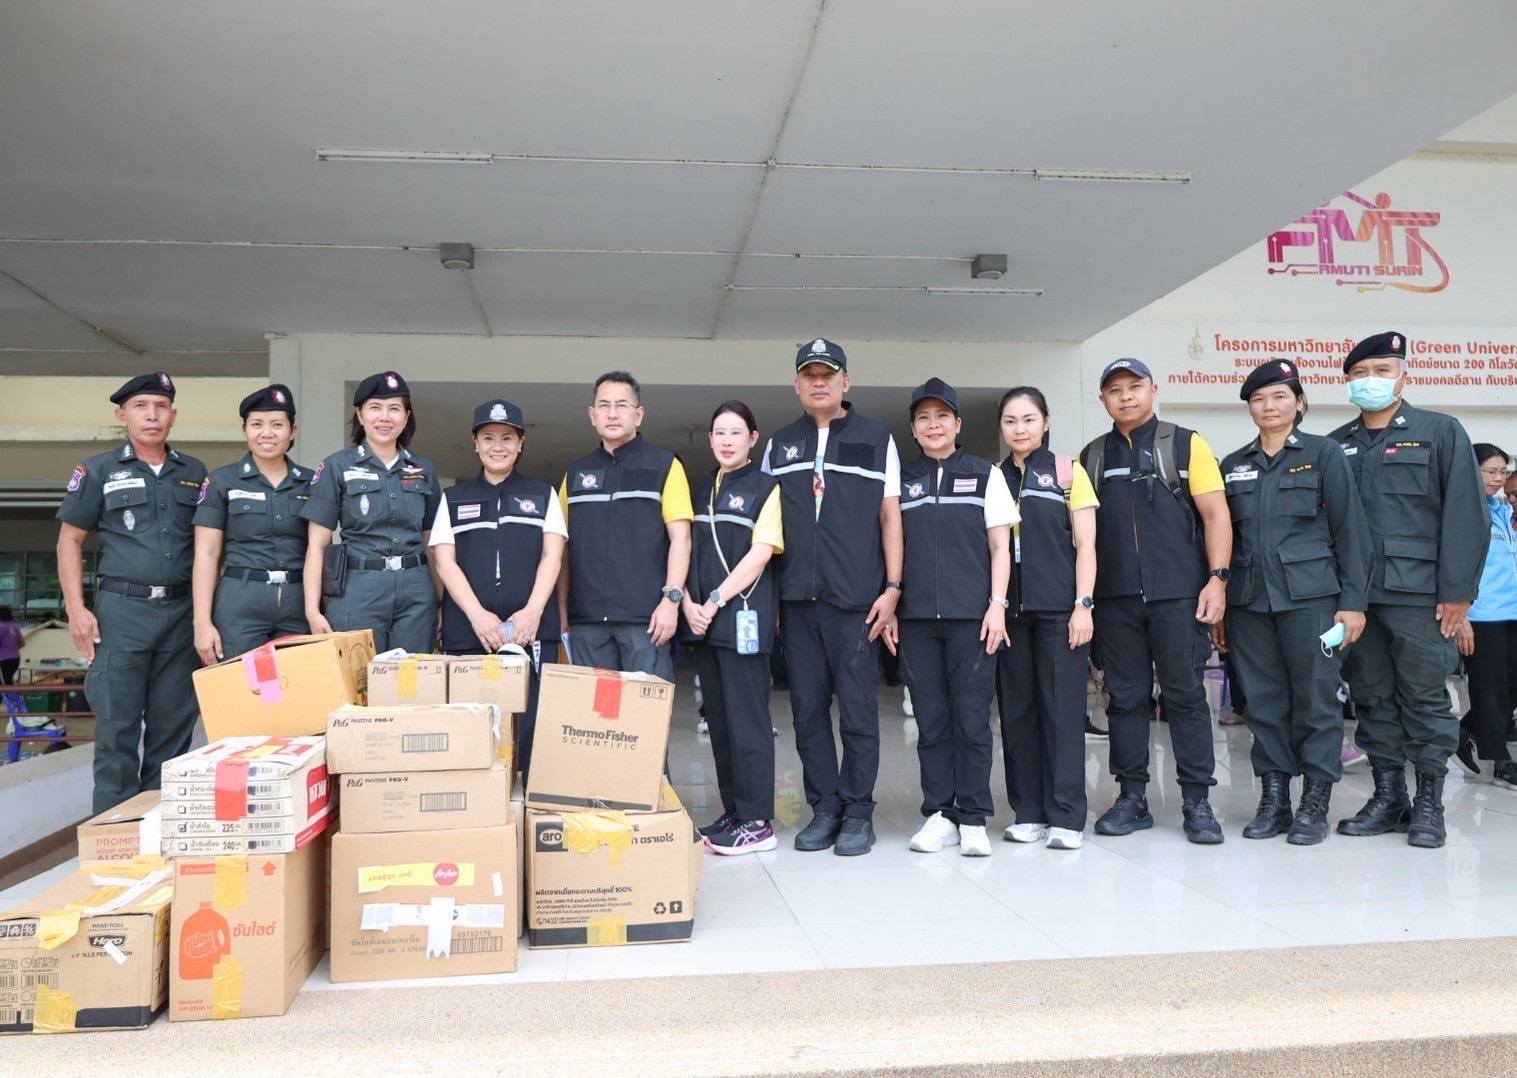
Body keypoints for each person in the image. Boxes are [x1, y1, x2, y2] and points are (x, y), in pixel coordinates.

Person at [1329, 332, 1488, 848]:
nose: (1370, 380)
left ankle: (1429, 804)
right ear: (1347, 381)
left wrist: (1458, 592)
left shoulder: (1440, 432)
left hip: (1421, 595)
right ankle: (1388, 797)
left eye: (1382, 370)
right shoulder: (1335, 444)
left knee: (1423, 696)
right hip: (1356, 598)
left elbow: (1466, 514)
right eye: (1359, 373)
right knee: (1371, 695)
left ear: (1403, 376)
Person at [1215, 360, 1371, 845]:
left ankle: (1314, 804)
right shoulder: (1233, 464)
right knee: (1263, 703)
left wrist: (1353, 602)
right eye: (1259, 399)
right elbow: (1222, 538)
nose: (1269, 406)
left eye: (1280, 396)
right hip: (1249, 602)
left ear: (1299, 403)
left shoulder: (1325, 454)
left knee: (1317, 701)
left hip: (1313, 600)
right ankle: (1275, 800)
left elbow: (1351, 531)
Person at [1080, 358, 1233, 844]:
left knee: (1185, 696)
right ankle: (1131, 797)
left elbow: (1216, 515)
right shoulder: (1092, 457)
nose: (1125, 396)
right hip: (1115, 599)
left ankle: (1197, 801)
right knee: (1125, 700)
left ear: (1153, 389)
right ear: (1102, 399)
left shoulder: (1186, 444)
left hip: (1179, 596)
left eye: (1135, 386)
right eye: (1114, 390)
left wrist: (1217, 580)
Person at [762, 337, 903, 857]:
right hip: (797, 601)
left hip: (857, 601)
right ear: (796, 384)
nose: (818, 383)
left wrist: (893, 588)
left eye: (828, 374)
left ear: (846, 381)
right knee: (807, 711)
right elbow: (766, 529)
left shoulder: (876, 438)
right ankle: (824, 809)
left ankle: (858, 812)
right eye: (809, 375)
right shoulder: (780, 445)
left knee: (859, 712)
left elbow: (890, 517)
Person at [56, 372, 207, 812]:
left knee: (173, 730)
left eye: (161, 407)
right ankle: (113, 835)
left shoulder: (194, 473)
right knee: (117, 729)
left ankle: (158, 830)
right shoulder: (98, 469)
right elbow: (69, 540)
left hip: (180, 613)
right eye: (141, 406)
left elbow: (208, 548)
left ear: (173, 416)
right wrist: (75, 609)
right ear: (122, 415)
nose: (152, 415)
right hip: (122, 613)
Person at [893, 379, 1014, 858]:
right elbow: (890, 545)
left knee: (972, 720)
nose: (933, 425)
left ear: (958, 424)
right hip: (917, 620)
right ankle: (939, 814)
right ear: (913, 429)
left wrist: (997, 605)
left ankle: (974, 816)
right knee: (932, 721)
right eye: (923, 418)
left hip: (973, 619)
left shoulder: (986, 475)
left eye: (942, 416)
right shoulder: (902, 480)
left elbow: (1001, 547)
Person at [431, 399, 566, 775]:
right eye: (488, 437)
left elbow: (552, 556)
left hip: (531, 630)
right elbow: (444, 561)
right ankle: (478, 798)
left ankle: (528, 798)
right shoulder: (453, 499)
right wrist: (477, 616)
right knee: (471, 724)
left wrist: (533, 612)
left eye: (507, 438)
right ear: (475, 443)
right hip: (470, 631)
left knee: (534, 722)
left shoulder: (542, 494)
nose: (498, 446)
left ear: (521, 444)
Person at [996, 386, 1099, 850]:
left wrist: (1083, 604)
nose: (1020, 429)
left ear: (1046, 422)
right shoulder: (993, 477)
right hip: (1011, 615)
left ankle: (1066, 816)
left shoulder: (1067, 472)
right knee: (1018, 714)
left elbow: (1087, 545)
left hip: (1060, 611)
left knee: (1062, 713)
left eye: (1028, 419)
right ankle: (1029, 812)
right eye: (1011, 421)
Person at [683, 401, 784, 854]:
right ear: (710, 440)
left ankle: (758, 821)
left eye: (736, 432)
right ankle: (735, 811)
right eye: (719, 433)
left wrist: (714, 600)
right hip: (704, 624)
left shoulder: (767, 487)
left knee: (749, 722)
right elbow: (688, 550)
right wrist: (689, 605)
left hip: (741, 616)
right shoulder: (703, 488)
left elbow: (761, 553)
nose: (727, 441)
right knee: (720, 722)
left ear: (753, 439)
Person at [559, 372, 693, 679]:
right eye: (603, 405)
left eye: (621, 405)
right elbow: (561, 550)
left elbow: (681, 539)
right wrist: (562, 611)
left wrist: (671, 601)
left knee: (646, 708)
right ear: (592, 415)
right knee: (594, 709)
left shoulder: (664, 466)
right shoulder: (576, 474)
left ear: (639, 414)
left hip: (646, 622)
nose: (612, 413)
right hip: (587, 623)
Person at [300, 371, 440, 653]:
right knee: (360, 675)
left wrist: (440, 603)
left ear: (406, 417)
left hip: (416, 591)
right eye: (375, 407)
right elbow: (317, 545)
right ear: (360, 415)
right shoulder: (336, 466)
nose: (384, 417)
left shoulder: (423, 469)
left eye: (394, 408)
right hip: (359, 588)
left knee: (411, 676)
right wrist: (312, 610)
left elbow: (432, 543)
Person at [191, 384, 310, 664]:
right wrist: (202, 622)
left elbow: (320, 549)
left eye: (277, 424)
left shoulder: (311, 483)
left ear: (293, 430)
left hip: (298, 599)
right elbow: (206, 554)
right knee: (245, 684)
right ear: (245, 430)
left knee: (295, 683)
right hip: (241, 600)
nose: (267, 433)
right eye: (257, 424)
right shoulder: (222, 481)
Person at [1453, 444, 1517, 789]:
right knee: (1490, 688)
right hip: (1481, 614)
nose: (1498, 478)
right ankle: (1500, 762)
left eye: (1503, 472)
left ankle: (1463, 730)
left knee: (1509, 686)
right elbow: (1453, 566)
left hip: (1512, 611)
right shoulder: (1459, 510)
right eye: (1491, 471)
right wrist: (1460, 615)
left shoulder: (1503, 509)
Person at [0, 606, 22, 684]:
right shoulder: (15, 626)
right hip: (16, 658)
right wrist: (12, 649)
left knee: (5, 682)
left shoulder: (1, 627)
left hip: (4, 659)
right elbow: (22, 643)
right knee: (8, 680)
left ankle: (10, 692)